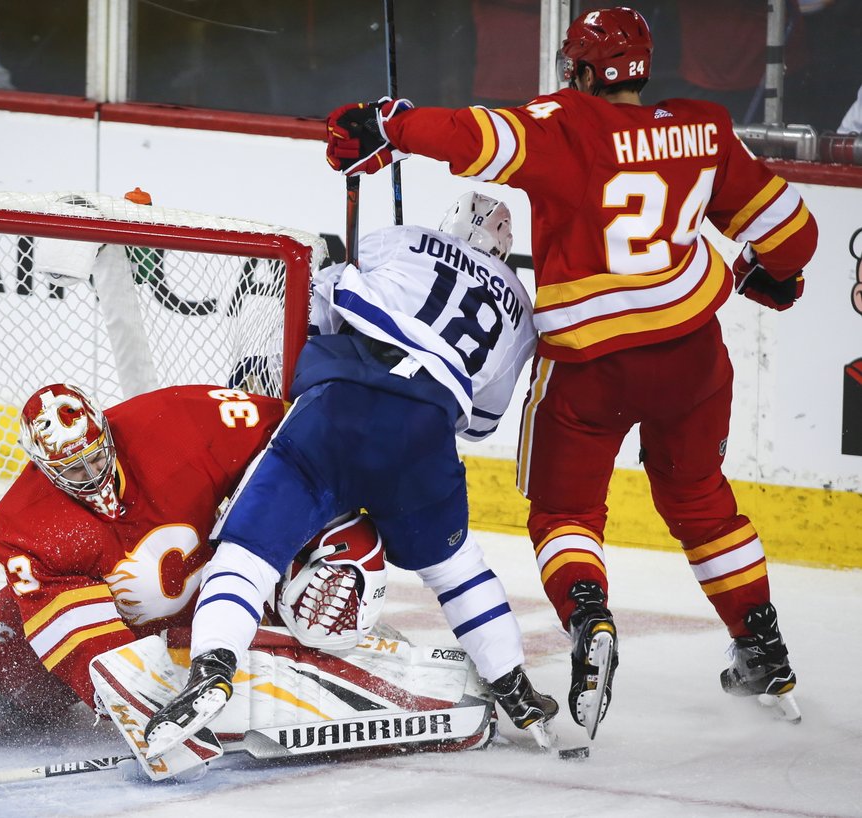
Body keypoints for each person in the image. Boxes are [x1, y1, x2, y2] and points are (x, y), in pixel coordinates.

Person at [322, 6, 818, 740]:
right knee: (701, 498)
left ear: (581, 70)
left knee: (565, 513)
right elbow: (794, 236)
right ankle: (763, 647)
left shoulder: (566, 124)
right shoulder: (703, 128)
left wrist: (387, 124)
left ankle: (590, 618)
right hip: (692, 357)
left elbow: (474, 135)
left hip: (591, 368)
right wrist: (767, 277)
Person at [0, 382, 499, 780]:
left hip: (225, 595)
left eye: (97, 458)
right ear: (43, 468)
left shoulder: (183, 421)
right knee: (0, 679)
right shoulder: (29, 528)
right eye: (73, 470)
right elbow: (86, 647)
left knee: (332, 592)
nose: (93, 476)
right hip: (119, 634)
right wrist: (138, 706)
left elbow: (301, 443)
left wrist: (321, 532)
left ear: (107, 435)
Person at [139, 192, 558, 767]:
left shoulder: (402, 237)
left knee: (248, 552)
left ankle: (211, 670)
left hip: (338, 407)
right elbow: (482, 422)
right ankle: (515, 687)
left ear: (450, 224)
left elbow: (323, 292)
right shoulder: (517, 304)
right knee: (458, 570)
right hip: (424, 433)